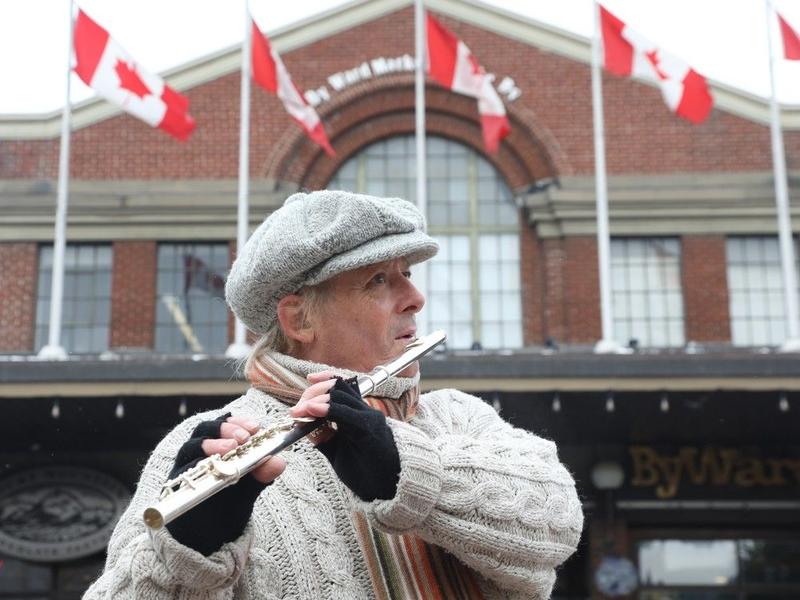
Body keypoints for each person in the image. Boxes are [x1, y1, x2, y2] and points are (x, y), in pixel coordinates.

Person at [84, 190, 583, 600]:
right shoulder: (207, 443)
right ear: (299, 319)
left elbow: (556, 526)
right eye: (379, 280)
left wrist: (405, 470)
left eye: (407, 273)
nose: (415, 297)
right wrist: (187, 553)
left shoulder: (455, 416)